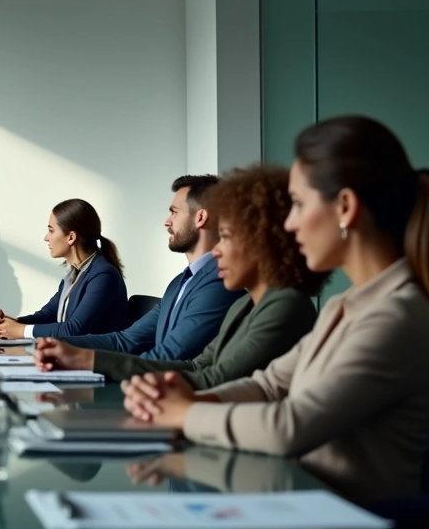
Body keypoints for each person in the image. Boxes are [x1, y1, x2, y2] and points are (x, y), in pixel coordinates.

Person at [122, 116, 429, 505]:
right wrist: (189, 402)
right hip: (308, 509)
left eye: (298, 204)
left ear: (346, 207)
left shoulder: (398, 314)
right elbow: (269, 385)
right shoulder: (346, 305)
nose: (289, 223)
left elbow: (290, 425)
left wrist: (184, 413)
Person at [34, 165, 326, 386]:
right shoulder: (237, 303)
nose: (218, 251)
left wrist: (88, 360)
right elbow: (200, 369)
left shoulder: (276, 304)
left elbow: (208, 379)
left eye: (227, 237)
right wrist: (74, 353)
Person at [56, 175, 243, 360]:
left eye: (174, 212)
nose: (167, 221)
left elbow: (170, 356)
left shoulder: (221, 281)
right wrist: (58, 343)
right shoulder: (179, 283)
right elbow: (126, 340)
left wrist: (86, 361)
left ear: (200, 217)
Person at [0, 199, 128, 338]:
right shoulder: (75, 272)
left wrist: (20, 330)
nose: (46, 238)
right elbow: (49, 315)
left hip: (96, 359)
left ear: (71, 237)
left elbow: (73, 330)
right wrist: (11, 324)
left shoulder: (103, 275)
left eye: (51, 231)